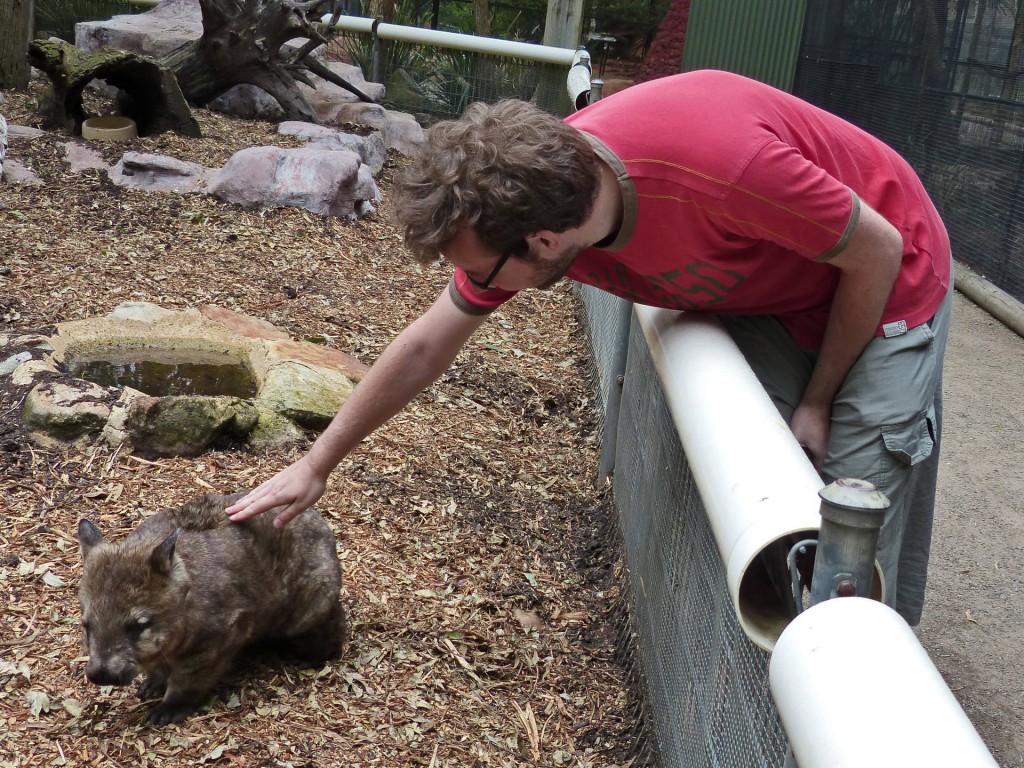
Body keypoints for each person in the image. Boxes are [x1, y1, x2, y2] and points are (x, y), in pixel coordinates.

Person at [227, 69, 952, 626]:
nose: (477, 285)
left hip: (884, 274)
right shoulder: (542, 202)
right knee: (761, 487)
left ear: (544, 242)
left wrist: (819, 401)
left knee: (850, 521)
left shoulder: (718, 166)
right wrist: (317, 464)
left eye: (482, 271)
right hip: (774, 287)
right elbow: (426, 345)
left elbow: (877, 250)